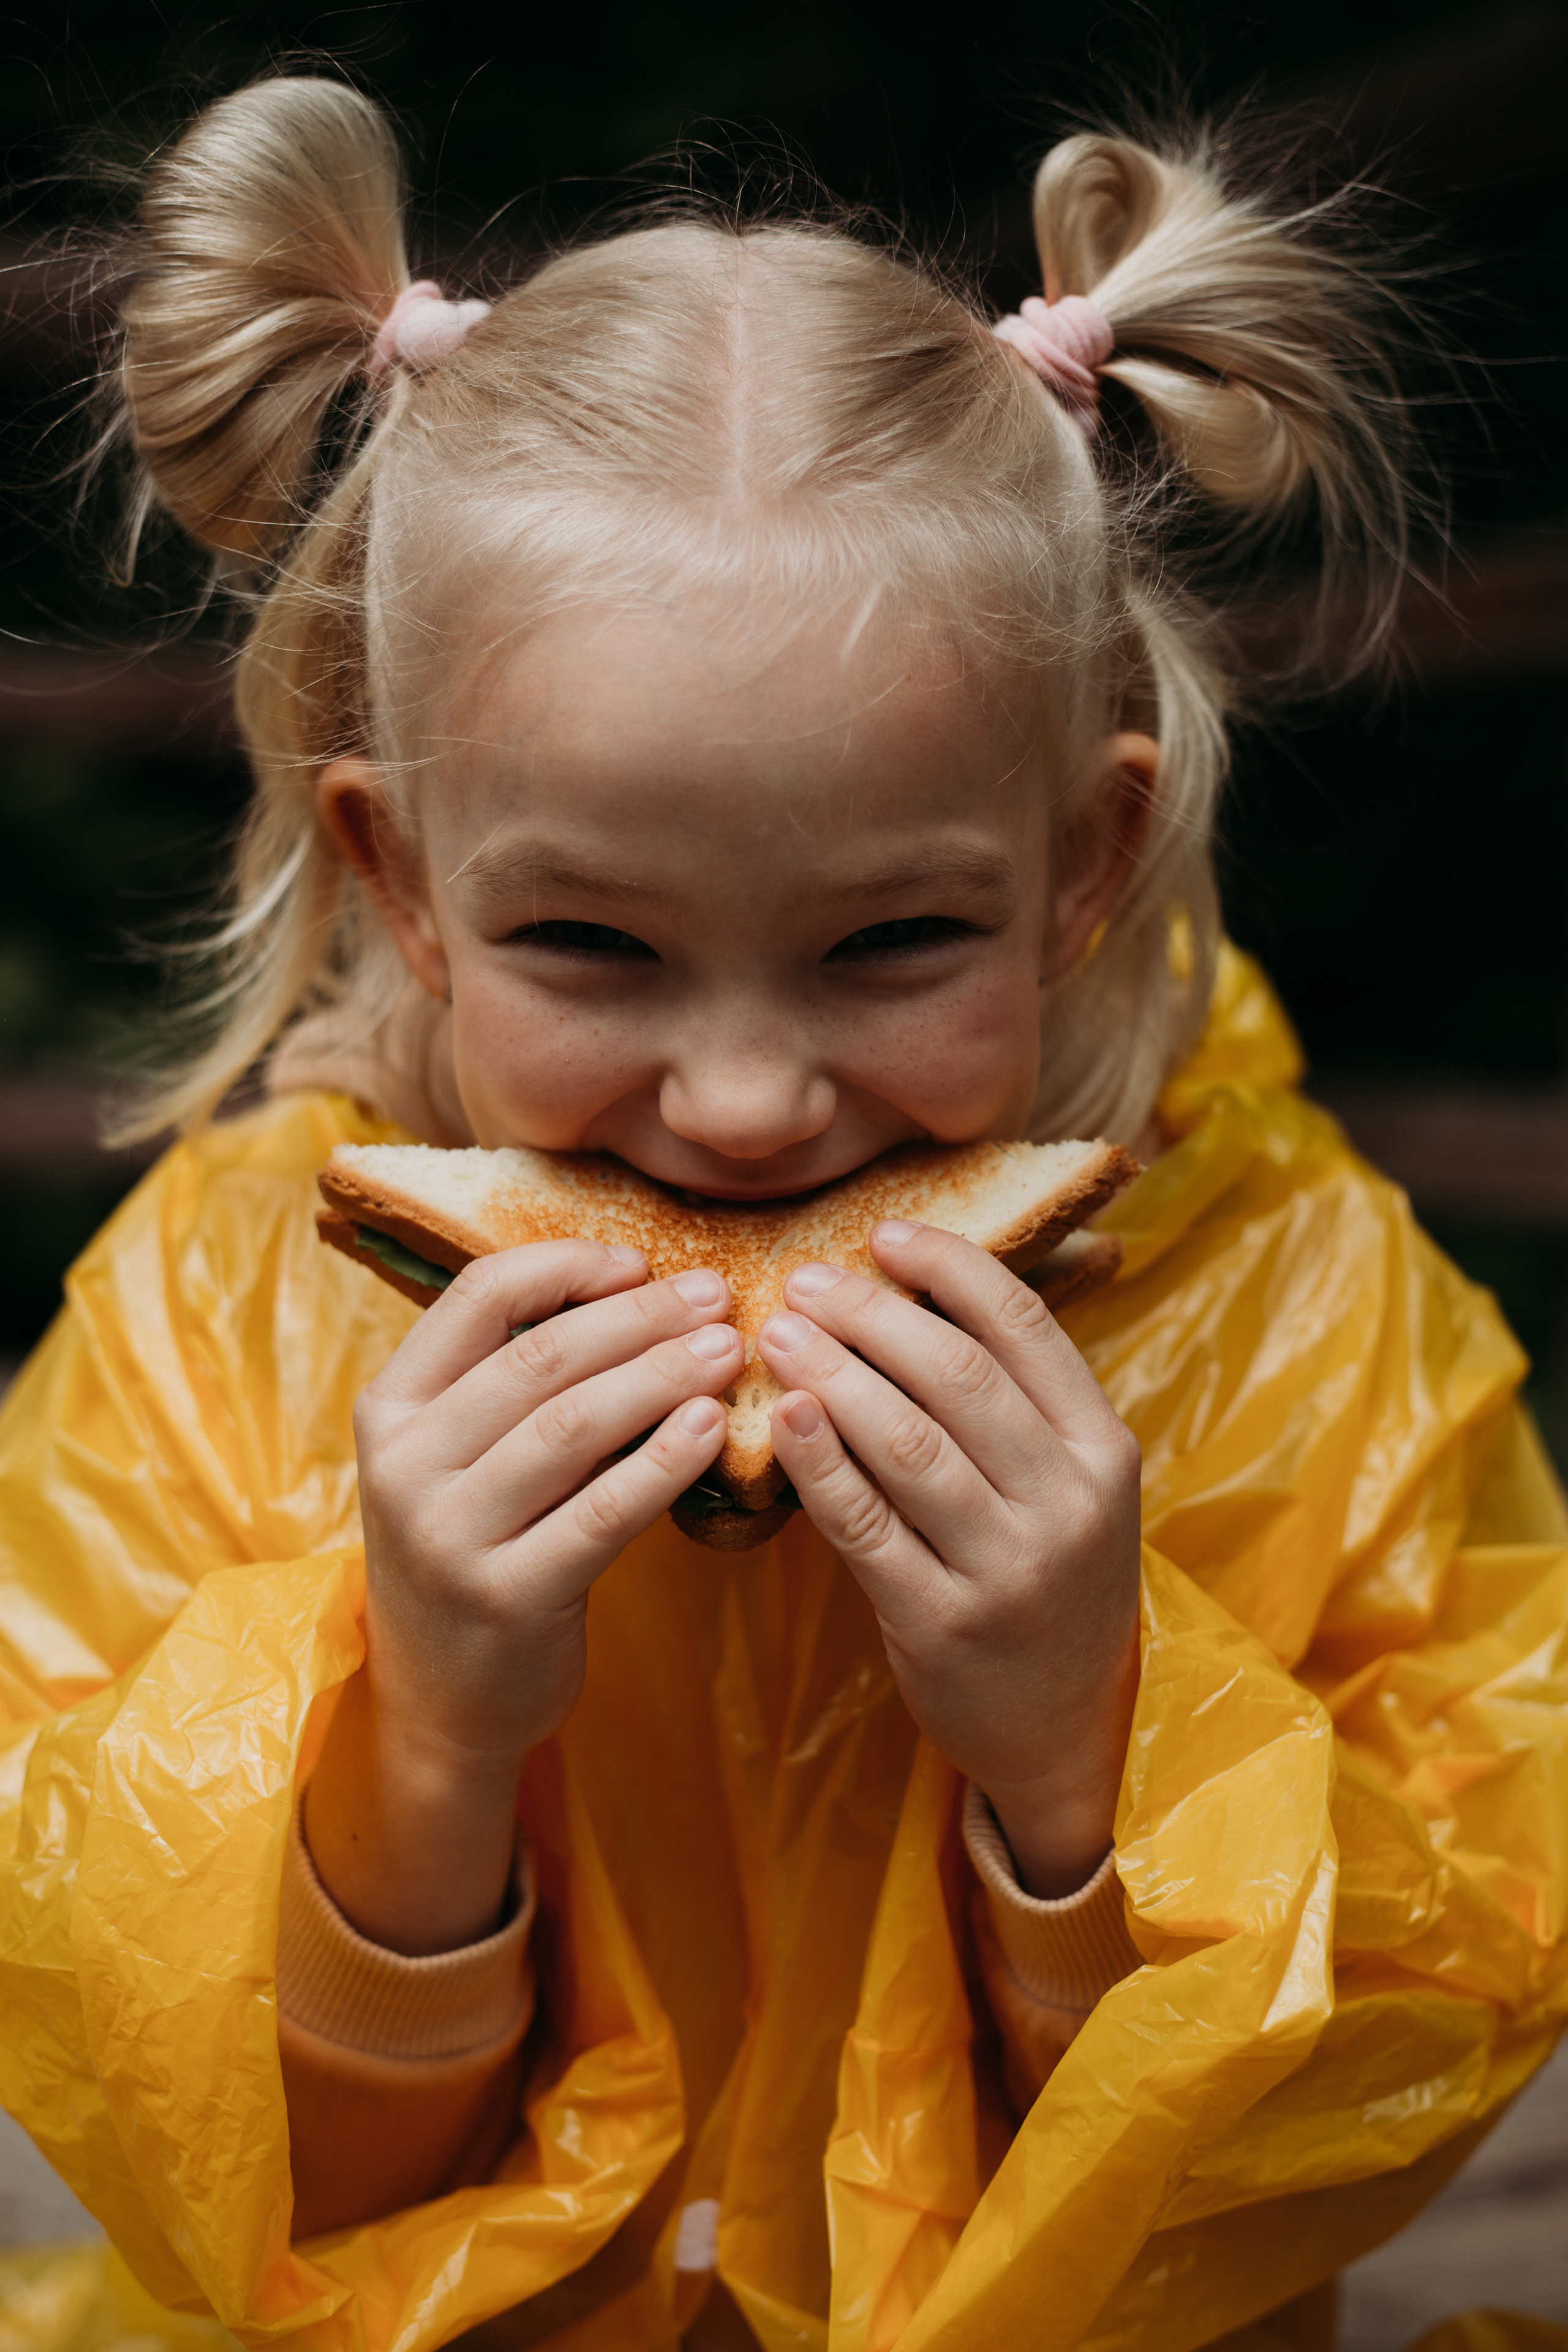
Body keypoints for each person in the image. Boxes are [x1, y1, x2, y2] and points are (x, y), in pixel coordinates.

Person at [1, 72, 1564, 2352]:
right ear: (400, 878)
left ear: (1084, 862)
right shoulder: (201, 1324)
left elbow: (1334, 2129)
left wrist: (1089, 1754)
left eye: (891, 943)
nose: (743, 1107)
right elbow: (227, 2180)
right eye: (592, 946)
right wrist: (423, 1739)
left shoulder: (1306, 1309)